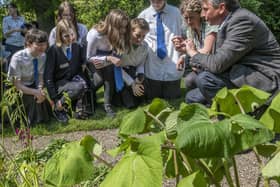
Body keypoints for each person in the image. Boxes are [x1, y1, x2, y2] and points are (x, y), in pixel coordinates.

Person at [182, 0, 280, 105]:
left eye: (206, 9)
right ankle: (226, 110)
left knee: (205, 79)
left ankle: (235, 117)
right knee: (192, 97)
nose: (202, 14)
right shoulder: (228, 22)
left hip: (265, 80)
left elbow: (217, 64)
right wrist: (189, 56)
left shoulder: (242, 21)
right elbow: (218, 60)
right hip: (240, 73)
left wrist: (193, 53)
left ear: (221, 8)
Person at [86, 9, 131, 117]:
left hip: (108, 58)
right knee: (99, 80)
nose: (124, 30)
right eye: (121, 27)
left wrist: (112, 58)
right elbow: (88, 57)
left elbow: (118, 51)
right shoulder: (95, 34)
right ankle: (86, 98)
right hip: (93, 59)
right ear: (112, 25)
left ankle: (107, 105)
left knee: (109, 79)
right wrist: (108, 58)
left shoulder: (120, 34)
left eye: (125, 27)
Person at [44, 19, 89, 123]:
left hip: (71, 81)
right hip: (58, 84)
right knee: (79, 86)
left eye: (71, 34)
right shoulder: (53, 50)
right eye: (66, 36)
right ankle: (58, 107)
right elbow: (48, 77)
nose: (70, 39)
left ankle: (77, 109)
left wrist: (84, 63)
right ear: (59, 36)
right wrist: (54, 98)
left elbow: (81, 64)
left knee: (84, 83)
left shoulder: (76, 47)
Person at [138, 0, 183, 100]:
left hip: (172, 65)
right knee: (154, 99)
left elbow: (186, 33)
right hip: (152, 67)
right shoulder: (143, 16)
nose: (156, 2)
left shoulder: (176, 13)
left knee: (172, 97)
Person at [7, 29, 52, 125]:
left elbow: (40, 75)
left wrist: (39, 88)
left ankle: (42, 119)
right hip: (17, 88)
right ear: (29, 43)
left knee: (43, 96)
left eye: (44, 44)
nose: (42, 47)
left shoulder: (43, 56)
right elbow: (16, 84)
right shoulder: (17, 58)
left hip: (33, 84)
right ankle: (30, 121)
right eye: (39, 45)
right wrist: (34, 92)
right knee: (32, 97)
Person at [173, 0, 218, 90]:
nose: (189, 21)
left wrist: (187, 50)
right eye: (186, 18)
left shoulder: (210, 26)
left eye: (192, 17)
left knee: (195, 79)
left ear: (200, 15)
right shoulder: (190, 30)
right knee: (189, 80)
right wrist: (182, 55)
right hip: (202, 66)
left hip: (214, 65)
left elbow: (206, 51)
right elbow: (191, 49)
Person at [112, 18, 149, 108]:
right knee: (131, 104)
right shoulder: (120, 44)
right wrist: (132, 83)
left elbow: (141, 64)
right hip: (120, 74)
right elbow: (116, 67)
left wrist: (139, 77)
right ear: (130, 32)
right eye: (137, 35)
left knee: (145, 92)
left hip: (133, 72)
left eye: (144, 36)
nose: (140, 39)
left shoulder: (145, 46)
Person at [2, 3, 25, 67]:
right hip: (10, 45)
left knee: (20, 65)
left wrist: (24, 31)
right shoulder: (6, 19)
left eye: (10, 8)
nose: (9, 10)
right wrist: (14, 30)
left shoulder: (22, 19)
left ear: (15, 9)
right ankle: (9, 77)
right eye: (8, 8)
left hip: (21, 45)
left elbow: (24, 30)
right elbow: (5, 33)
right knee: (10, 65)